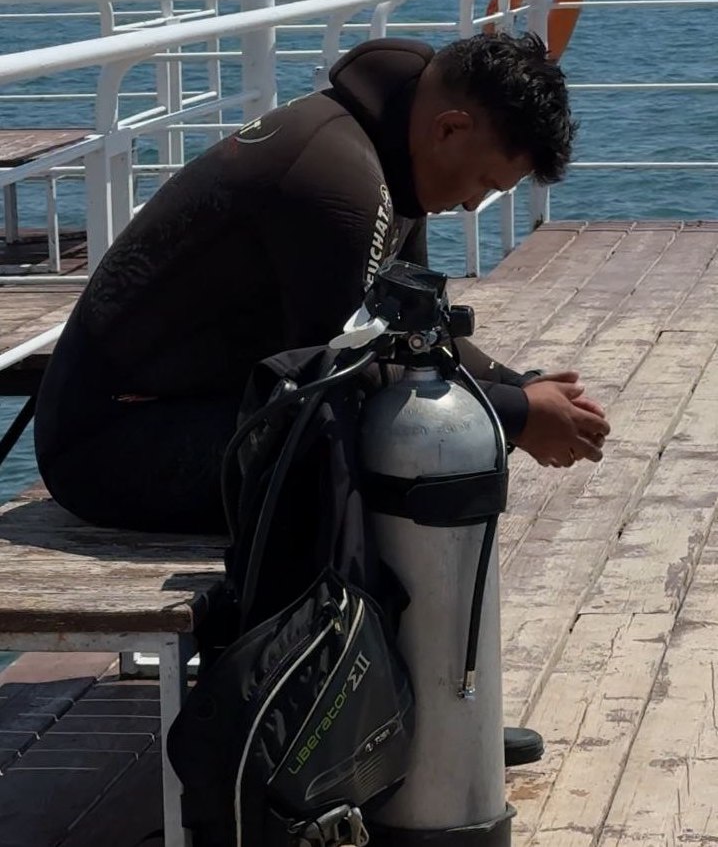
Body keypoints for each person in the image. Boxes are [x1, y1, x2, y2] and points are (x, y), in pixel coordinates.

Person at [34, 31, 610, 535]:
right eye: (484, 182)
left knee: (408, 442)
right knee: (383, 451)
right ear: (450, 128)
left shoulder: (392, 151)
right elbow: (346, 371)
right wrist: (515, 413)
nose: (469, 202)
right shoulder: (333, 180)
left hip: (192, 408)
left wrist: (521, 385)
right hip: (112, 446)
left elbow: (413, 331)